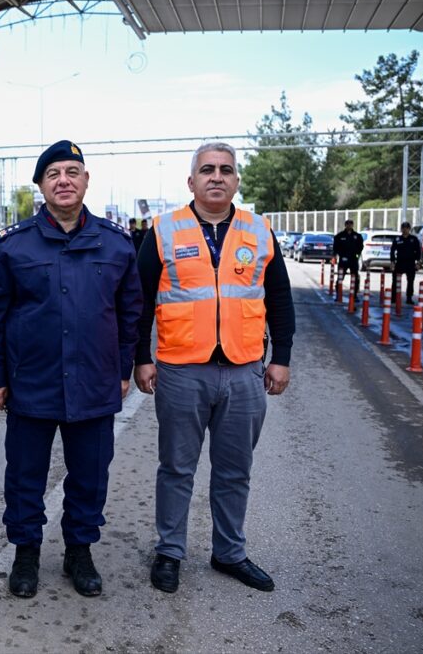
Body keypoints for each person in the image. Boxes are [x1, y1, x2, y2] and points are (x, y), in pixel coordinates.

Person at [0, 140, 142, 599]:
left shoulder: (116, 243)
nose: (64, 181)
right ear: (40, 185)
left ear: (86, 180)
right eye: (53, 174)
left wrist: (123, 369)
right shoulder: (13, 244)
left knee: (90, 476)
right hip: (31, 382)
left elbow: (130, 313)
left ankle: (79, 552)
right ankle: (25, 553)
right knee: (24, 476)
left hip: (94, 382)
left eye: (72, 172)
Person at [134, 142, 295, 595]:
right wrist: (140, 357)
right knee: (176, 468)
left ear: (236, 180)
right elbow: (139, 300)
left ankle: (229, 552)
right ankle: (170, 552)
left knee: (234, 470)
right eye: (207, 170)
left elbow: (279, 298)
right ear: (192, 182)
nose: (217, 176)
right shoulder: (164, 230)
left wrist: (281, 357)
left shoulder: (258, 230)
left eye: (226, 169)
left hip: (244, 371)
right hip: (182, 371)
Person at [390, 221, 422, 304]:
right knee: (395, 281)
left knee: (410, 281)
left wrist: (418, 262)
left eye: (407, 228)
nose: (405, 230)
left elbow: (418, 251)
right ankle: (394, 297)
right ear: (401, 229)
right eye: (403, 228)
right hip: (400, 262)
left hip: (410, 263)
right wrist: (392, 262)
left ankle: (409, 298)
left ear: (409, 229)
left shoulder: (414, 239)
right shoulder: (397, 239)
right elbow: (392, 251)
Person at [333, 219, 364, 297]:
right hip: (343, 259)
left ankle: (354, 294)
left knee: (355, 276)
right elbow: (335, 247)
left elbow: (360, 247)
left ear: (353, 225)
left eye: (350, 224)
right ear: (345, 225)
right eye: (347, 224)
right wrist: (339, 255)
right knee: (340, 276)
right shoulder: (340, 236)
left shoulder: (357, 236)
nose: (349, 226)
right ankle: (338, 293)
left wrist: (357, 255)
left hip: (353, 259)